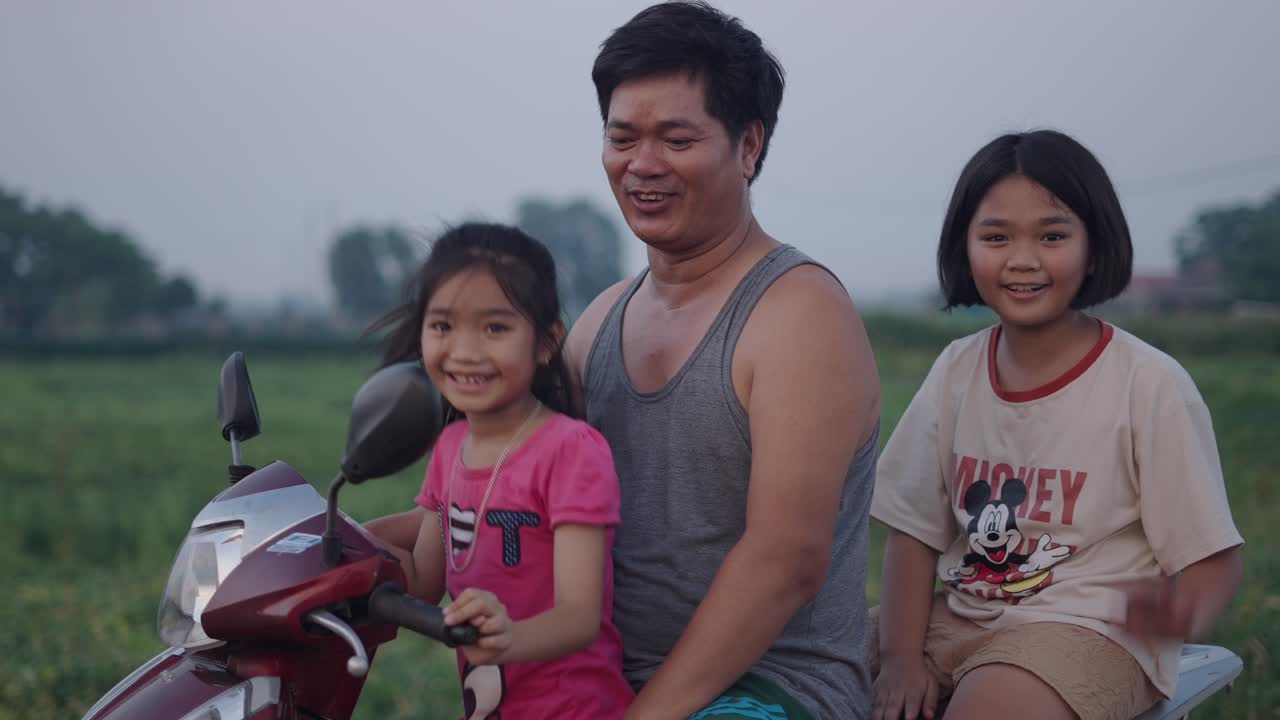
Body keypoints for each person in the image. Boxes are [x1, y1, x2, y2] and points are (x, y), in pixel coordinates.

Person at [564, 2, 882, 718]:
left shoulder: (798, 315)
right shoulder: (598, 321)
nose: (642, 165)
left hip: (772, 689)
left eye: (676, 138)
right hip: (606, 675)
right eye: (622, 138)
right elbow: (510, 476)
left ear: (748, 146)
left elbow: (786, 561)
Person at [869, 129, 1245, 720]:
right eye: (996, 237)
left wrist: (1163, 625)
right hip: (962, 615)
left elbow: (1212, 560)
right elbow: (913, 533)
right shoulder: (956, 371)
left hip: (1087, 631)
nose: (1022, 259)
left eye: (1051, 235)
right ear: (965, 247)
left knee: (984, 708)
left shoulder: (1147, 383)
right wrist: (899, 659)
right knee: (807, 664)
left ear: (1094, 246)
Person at [365, 222, 634, 719]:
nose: (465, 351)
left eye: (495, 328)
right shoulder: (450, 446)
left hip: (575, 709)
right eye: (443, 326)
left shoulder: (571, 451)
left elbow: (580, 616)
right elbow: (425, 578)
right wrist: (338, 544)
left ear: (546, 342)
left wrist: (511, 636)